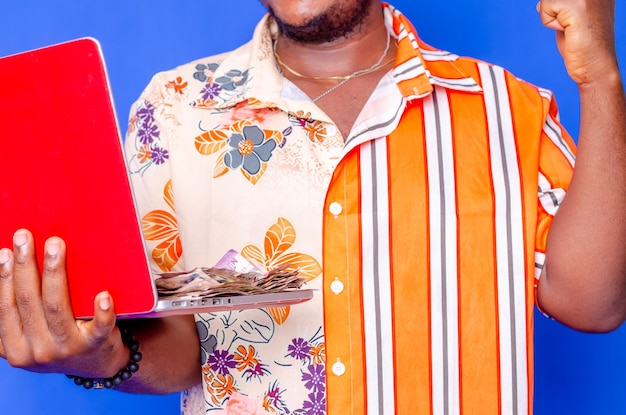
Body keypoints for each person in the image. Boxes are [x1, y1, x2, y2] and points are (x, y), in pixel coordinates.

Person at [0, 0, 625, 414]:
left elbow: (595, 304)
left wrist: (600, 81)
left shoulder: (502, 108)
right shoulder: (175, 110)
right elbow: (181, 343)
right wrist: (103, 354)